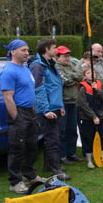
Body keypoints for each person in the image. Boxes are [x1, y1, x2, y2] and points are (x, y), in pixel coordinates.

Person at [0, 39, 43, 194]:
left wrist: (32, 110)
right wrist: (16, 117)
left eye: (27, 50)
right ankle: (15, 182)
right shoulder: (9, 71)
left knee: (32, 145)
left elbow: (29, 92)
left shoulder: (25, 69)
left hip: (30, 112)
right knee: (17, 148)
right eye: (23, 50)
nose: (27, 53)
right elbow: (8, 97)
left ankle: (29, 175)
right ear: (13, 52)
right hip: (18, 112)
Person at [30, 38, 71, 181]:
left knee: (55, 138)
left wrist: (60, 106)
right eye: (54, 48)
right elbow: (38, 89)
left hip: (55, 107)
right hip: (47, 110)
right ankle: (56, 170)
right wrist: (46, 110)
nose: (56, 50)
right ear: (47, 49)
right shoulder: (38, 66)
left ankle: (49, 165)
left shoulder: (50, 64)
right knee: (52, 139)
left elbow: (55, 86)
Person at [55, 46, 84, 164]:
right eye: (64, 56)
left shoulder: (71, 65)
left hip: (74, 102)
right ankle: (62, 156)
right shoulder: (56, 67)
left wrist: (73, 77)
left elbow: (80, 76)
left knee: (72, 129)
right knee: (62, 130)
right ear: (58, 57)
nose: (67, 58)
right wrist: (74, 77)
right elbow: (65, 81)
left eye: (68, 55)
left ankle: (71, 153)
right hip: (63, 103)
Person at [77, 67, 103, 168]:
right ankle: (89, 161)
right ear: (85, 76)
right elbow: (83, 105)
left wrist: (97, 90)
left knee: (101, 136)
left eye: (93, 72)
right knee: (88, 138)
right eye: (88, 73)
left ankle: (102, 158)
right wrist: (93, 116)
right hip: (87, 118)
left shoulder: (100, 84)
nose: (91, 74)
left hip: (100, 115)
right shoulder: (83, 88)